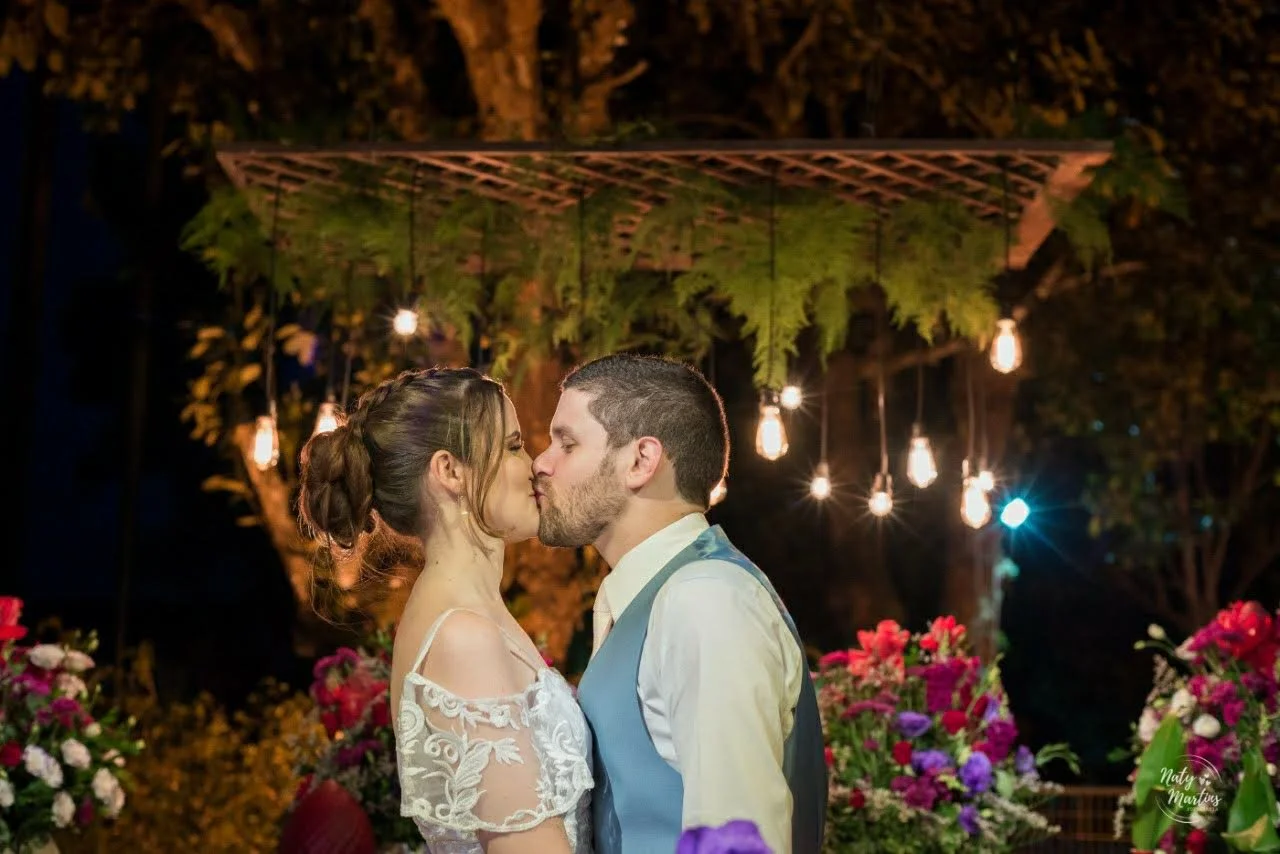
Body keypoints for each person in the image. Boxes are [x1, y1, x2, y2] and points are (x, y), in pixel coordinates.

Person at [531, 353, 827, 854]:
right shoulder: (663, 596)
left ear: (641, 460)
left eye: (567, 443)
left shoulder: (705, 600)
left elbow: (738, 838)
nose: (541, 462)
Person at [297, 367, 594, 854]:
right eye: (513, 446)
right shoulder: (461, 635)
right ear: (450, 471)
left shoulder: (474, 612)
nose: (536, 464)